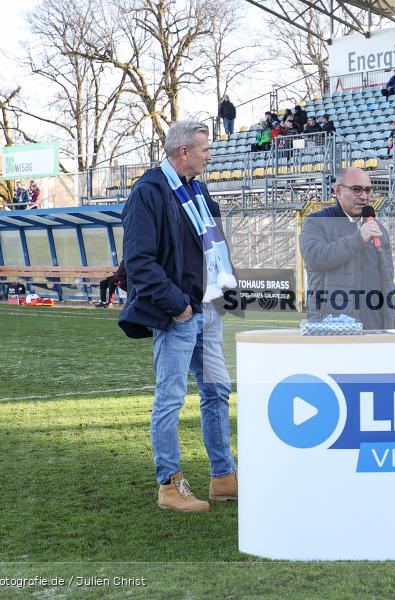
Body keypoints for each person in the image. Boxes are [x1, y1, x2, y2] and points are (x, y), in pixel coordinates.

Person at [119, 119, 242, 512]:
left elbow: (212, 246)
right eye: (205, 149)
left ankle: (223, 476)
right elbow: (139, 261)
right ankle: (169, 484)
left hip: (207, 309)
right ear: (183, 152)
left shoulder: (198, 189)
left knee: (217, 390)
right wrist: (178, 304)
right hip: (179, 314)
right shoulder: (149, 191)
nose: (210, 155)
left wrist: (223, 288)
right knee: (171, 397)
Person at [299, 167, 395, 330]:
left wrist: (391, 318)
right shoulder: (316, 222)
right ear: (338, 191)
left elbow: (387, 279)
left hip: (376, 327)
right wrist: (358, 238)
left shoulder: (377, 228)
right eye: (356, 190)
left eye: (367, 190)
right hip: (332, 327)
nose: (364, 196)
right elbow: (315, 258)